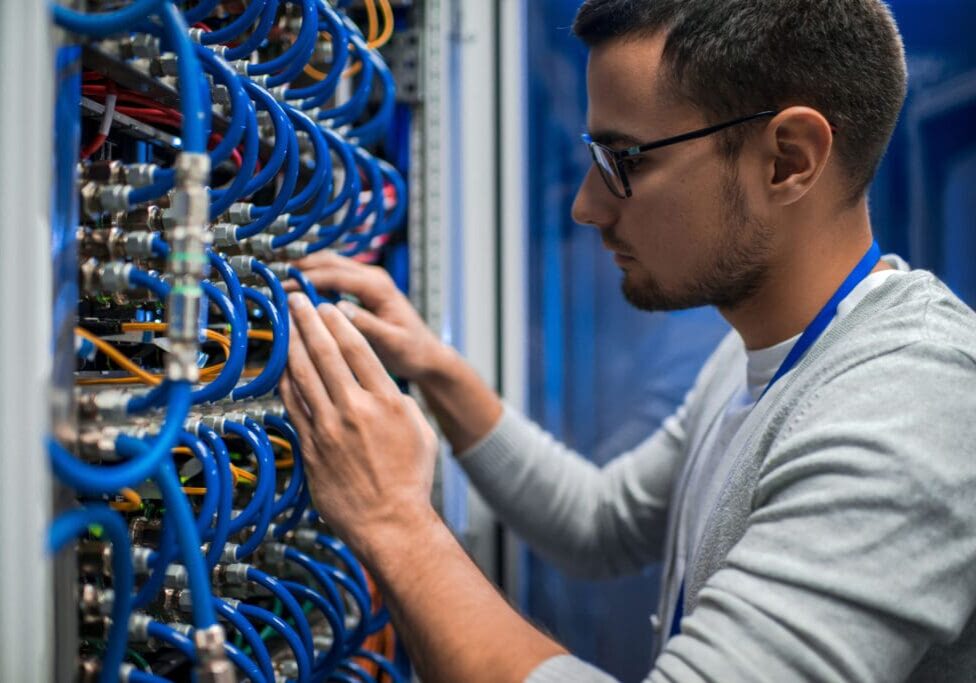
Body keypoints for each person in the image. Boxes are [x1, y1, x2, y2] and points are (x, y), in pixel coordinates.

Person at [279, 0, 976, 680]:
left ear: (786, 160)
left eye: (625, 159)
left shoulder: (909, 410)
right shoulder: (755, 353)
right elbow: (600, 522)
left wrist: (396, 521)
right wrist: (432, 366)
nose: (586, 205)